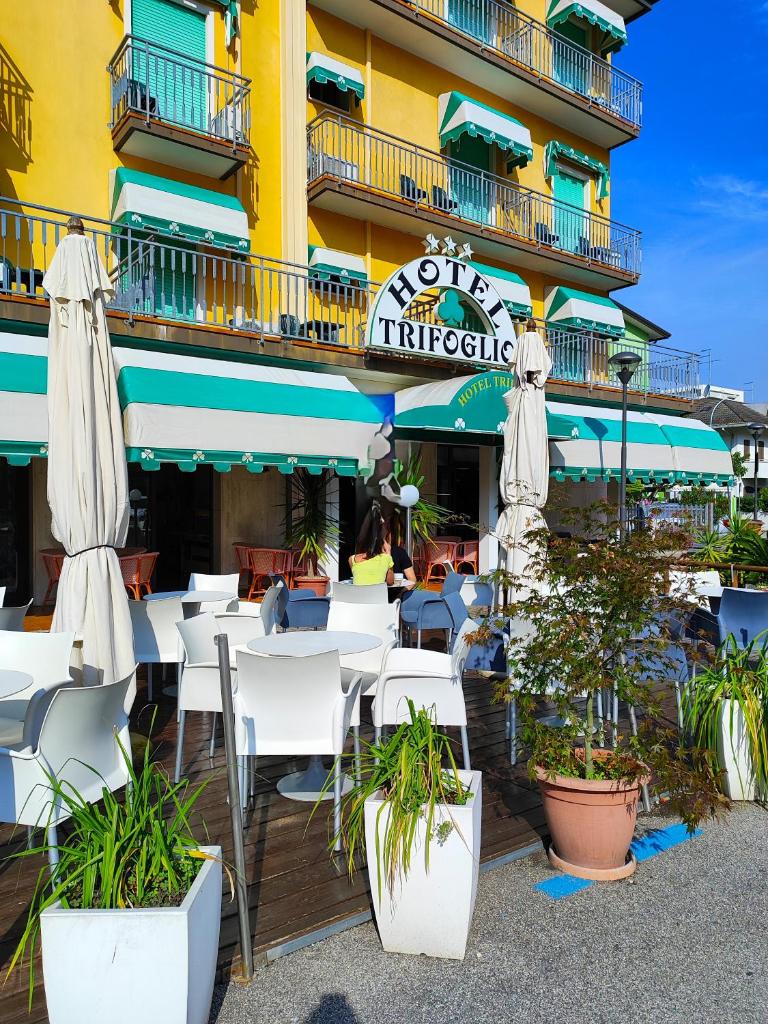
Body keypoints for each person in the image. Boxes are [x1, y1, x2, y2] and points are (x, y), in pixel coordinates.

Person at [349, 504, 394, 585]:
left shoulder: (352, 559)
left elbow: (363, 581)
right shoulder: (386, 558)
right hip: (377, 597)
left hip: (357, 597)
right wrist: (388, 553)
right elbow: (390, 582)